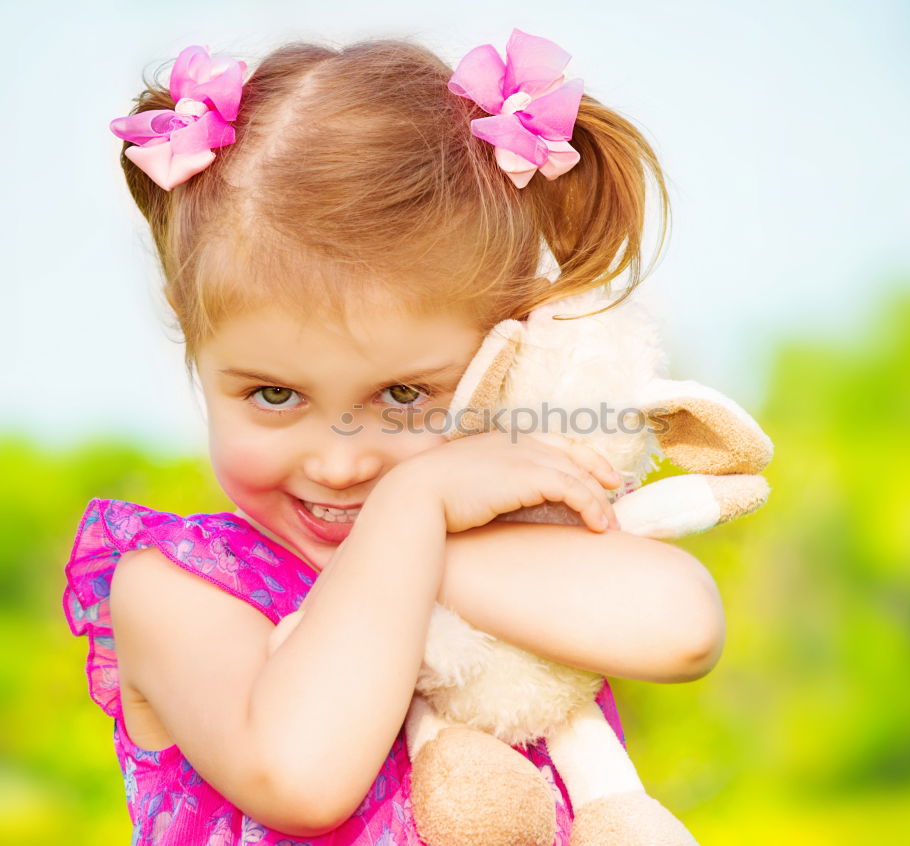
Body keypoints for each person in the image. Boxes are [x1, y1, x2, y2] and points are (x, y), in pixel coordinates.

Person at [63, 30, 726, 845]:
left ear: (504, 350)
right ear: (191, 334)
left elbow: (681, 626)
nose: (341, 462)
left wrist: (419, 537)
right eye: (274, 394)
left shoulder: (490, 546)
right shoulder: (177, 594)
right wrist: (411, 503)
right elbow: (300, 777)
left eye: (405, 395)